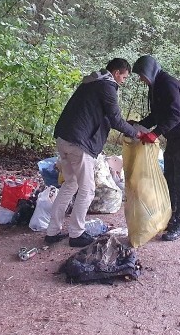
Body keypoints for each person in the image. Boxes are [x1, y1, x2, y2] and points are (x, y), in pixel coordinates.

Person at [45, 58, 141, 247]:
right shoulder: (108, 87)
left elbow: (100, 114)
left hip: (64, 138)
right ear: (116, 73)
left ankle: (52, 231)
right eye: (124, 77)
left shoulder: (91, 83)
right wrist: (135, 133)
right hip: (79, 144)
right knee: (87, 190)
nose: (123, 81)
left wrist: (126, 125)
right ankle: (76, 234)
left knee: (70, 185)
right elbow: (114, 119)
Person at [132, 55, 180, 241]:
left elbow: (175, 115)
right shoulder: (155, 86)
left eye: (141, 75)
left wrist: (155, 134)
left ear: (149, 70)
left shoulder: (168, 84)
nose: (141, 79)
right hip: (175, 136)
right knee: (169, 177)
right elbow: (157, 114)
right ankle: (170, 217)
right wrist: (140, 125)